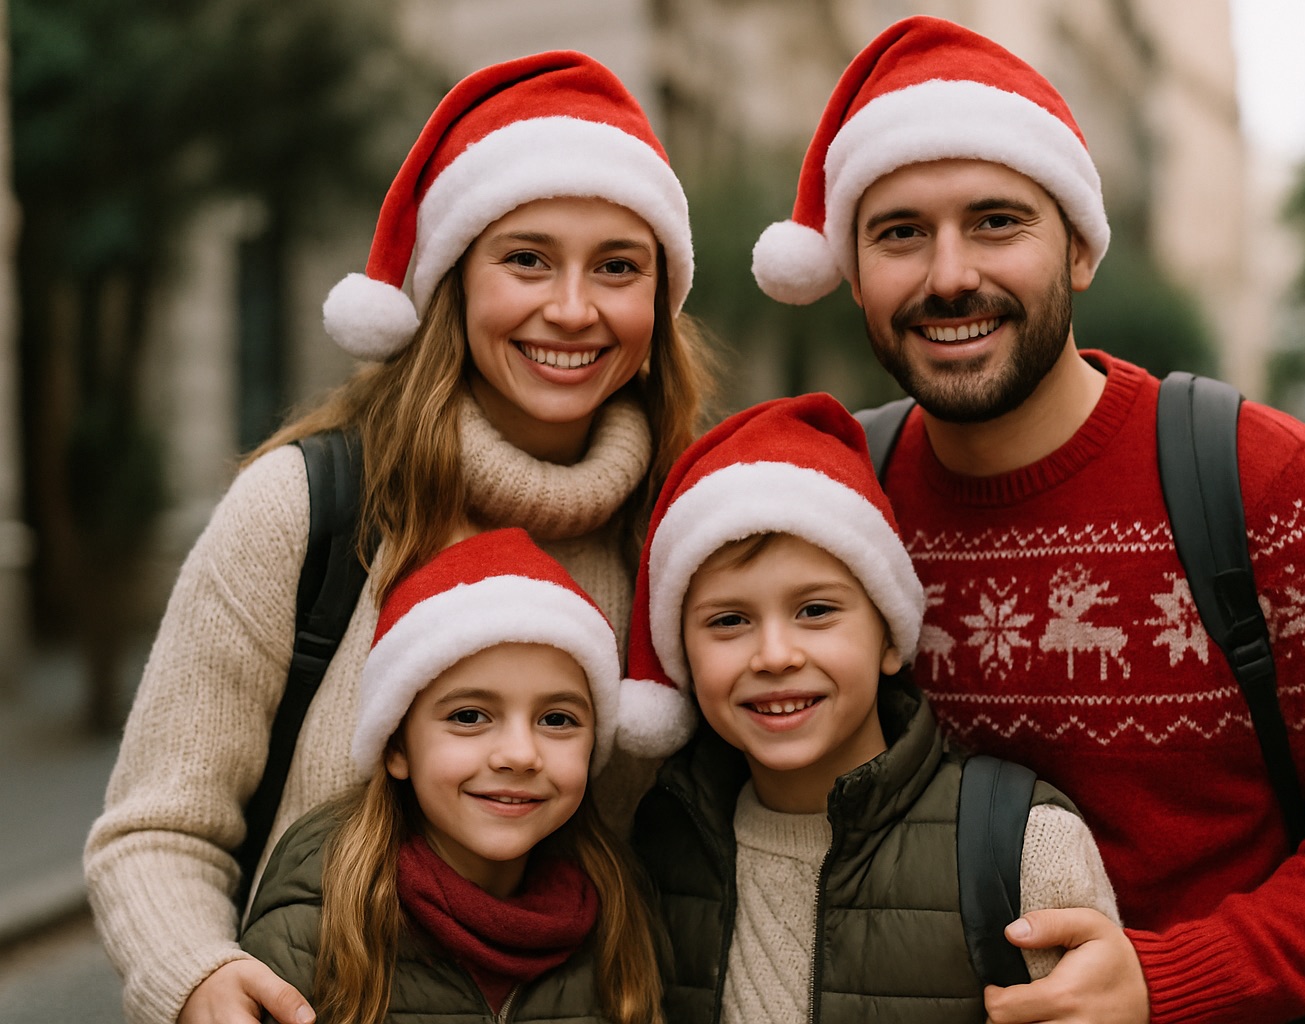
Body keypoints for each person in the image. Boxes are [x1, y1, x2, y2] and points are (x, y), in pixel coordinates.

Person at [749, 16, 1305, 1024]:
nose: (950, 273)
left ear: (1080, 253)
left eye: (997, 221)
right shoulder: (830, 503)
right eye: (900, 233)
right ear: (850, 269)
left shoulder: (1273, 485)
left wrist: (1168, 981)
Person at [85, 52, 710, 1024]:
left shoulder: (689, 532)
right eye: (528, 258)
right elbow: (157, 828)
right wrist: (196, 973)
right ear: (453, 279)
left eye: (619, 267)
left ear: (659, 302)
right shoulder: (309, 507)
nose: (575, 308)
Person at [623, 392, 1119, 1024]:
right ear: (682, 657)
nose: (774, 655)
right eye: (729, 620)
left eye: (816, 611)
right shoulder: (661, 845)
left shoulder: (1023, 845)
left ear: (889, 636)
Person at [240, 527, 663, 1024]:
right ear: (397, 746)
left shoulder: (615, 920)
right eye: (469, 717)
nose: (520, 755)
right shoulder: (322, 918)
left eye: (557, 720)